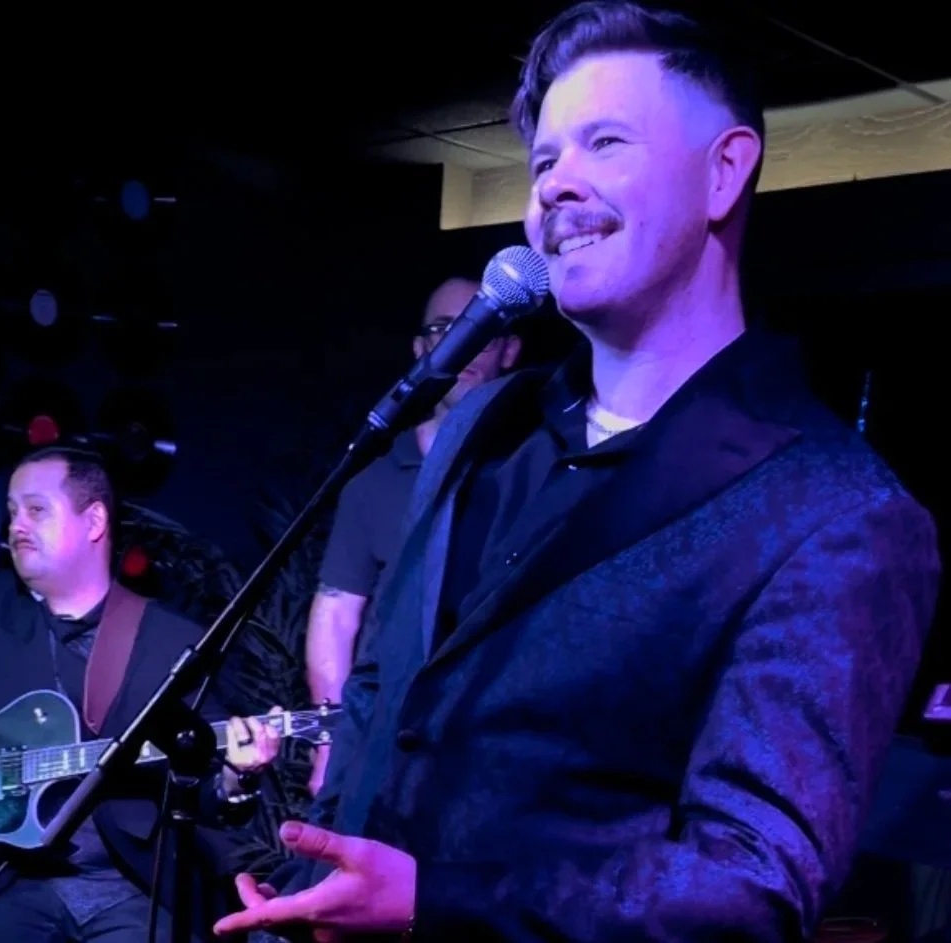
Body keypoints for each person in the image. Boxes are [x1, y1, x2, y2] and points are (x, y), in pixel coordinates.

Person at [213, 3, 943, 941]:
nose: (558, 185)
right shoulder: (483, 424)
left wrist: (436, 903)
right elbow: (385, 689)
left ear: (724, 173)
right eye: (545, 159)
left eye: (605, 142)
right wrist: (321, 879)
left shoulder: (834, 512)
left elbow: (753, 882)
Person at [0, 446, 283, 942]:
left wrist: (235, 777)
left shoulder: (170, 642)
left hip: (126, 887)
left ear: (93, 521)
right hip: (3, 883)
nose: (16, 526)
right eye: (11, 511)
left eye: (36, 509)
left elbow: (203, 789)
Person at [305, 277, 521, 794]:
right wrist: (330, 742)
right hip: (382, 744)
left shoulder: (531, 465)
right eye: (446, 329)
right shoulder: (377, 474)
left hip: (486, 748)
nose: (464, 342)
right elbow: (335, 615)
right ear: (422, 347)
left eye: (483, 331)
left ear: (510, 350)